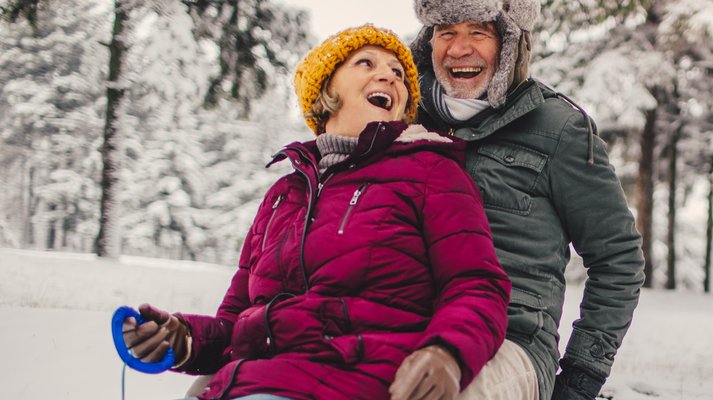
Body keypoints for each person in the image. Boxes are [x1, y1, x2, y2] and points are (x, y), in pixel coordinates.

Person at [119, 24, 511, 400]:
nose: (390, 77)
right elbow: (238, 323)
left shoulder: (430, 172)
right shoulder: (283, 195)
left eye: (398, 74)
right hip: (249, 384)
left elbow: (476, 285)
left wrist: (447, 353)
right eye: (366, 64)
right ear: (327, 88)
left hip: (358, 382)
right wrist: (182, 338)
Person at [406, 1, 646, 399]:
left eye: (478, 32)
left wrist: (581, 377)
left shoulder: (559, 129)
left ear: (510, 43)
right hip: (406, 325)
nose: (459, 48)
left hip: (510, 340)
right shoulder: (406, 122)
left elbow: (618, 258)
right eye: (446, 32)